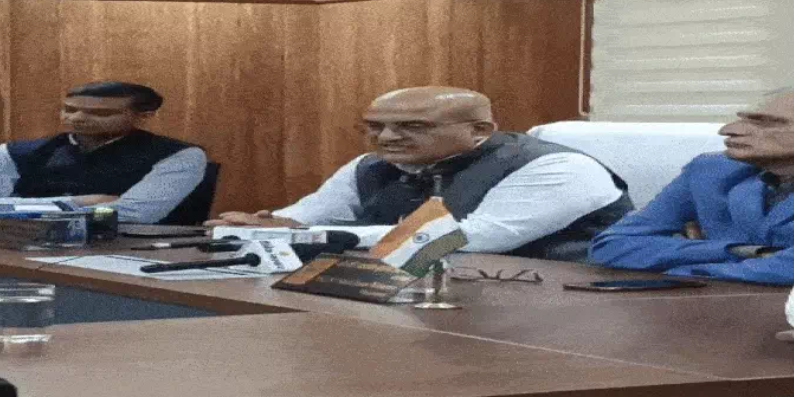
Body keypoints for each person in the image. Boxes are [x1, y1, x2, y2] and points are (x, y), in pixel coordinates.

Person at [206, 86, 632, 262]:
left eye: (412, 127)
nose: (387, 137)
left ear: (480, 130)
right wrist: (269, 225)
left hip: (553, 304)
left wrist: (318, 235)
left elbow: (472, 239)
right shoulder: (371, 165)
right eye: (375, 126)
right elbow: (307, 216)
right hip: (419, 291)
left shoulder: (558, 167)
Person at [590, 89, 794, 285]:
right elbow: (612, 245)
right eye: (744, 120)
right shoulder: (711, 171)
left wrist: (686, 270)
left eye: (766, 123)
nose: (728, 130)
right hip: (714, 303)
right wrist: (738, 251)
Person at [0, 81, 208, 224]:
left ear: (144, 116)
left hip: (134, 252)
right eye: (70, 110)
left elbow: (134, 215)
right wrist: (80, 202)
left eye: (101, 113)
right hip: (26, 242)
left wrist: (20, 209)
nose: (77, 118)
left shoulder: (181, 155)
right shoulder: (16, 152)